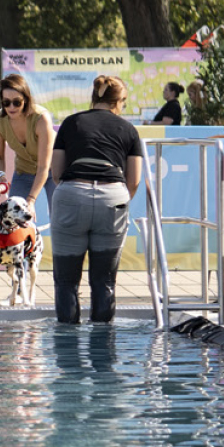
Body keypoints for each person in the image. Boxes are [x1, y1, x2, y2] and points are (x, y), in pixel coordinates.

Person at [48, 75, 144, 325]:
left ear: (94, 96)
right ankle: (103, 356)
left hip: (72, 194)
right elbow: (133, 180)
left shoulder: (71, 123)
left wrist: (77, 194)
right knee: (105, 281)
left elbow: (56, 172)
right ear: (119, 101)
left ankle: (67, 354)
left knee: (66, 281)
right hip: (112, 198)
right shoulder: (129, 130)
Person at [0, 73, 55, 206]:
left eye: (16, 102)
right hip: (24, 171)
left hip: (54, 171)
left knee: (59, 220)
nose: (11, 107)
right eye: (6, 103)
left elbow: (43, 167)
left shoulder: (41, 118)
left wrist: (30, 200)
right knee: (14, 217)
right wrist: (1, 175)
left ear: (26, 99)